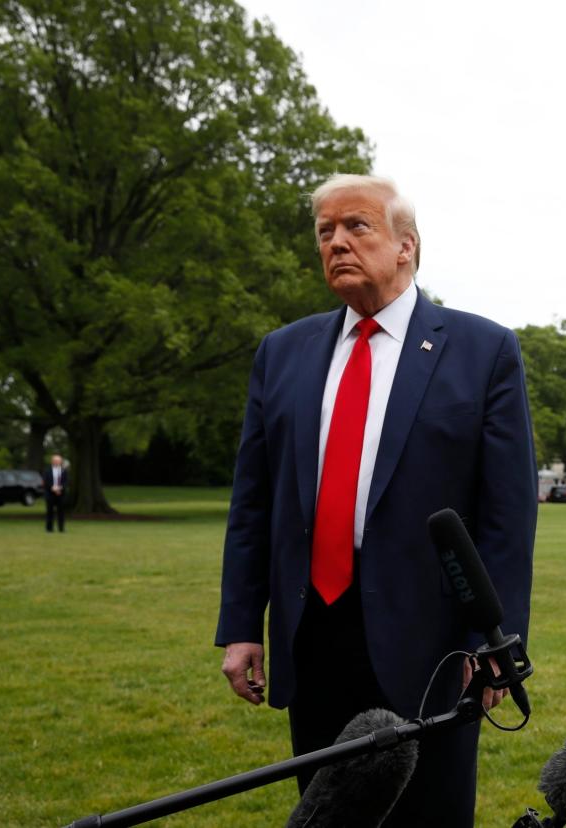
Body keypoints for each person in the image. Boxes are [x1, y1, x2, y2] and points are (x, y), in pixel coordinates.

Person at [215, 173, 537, 825]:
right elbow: (255, 502)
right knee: (328, 813)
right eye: (324, 231)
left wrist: (494, 641)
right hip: (313, 638)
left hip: (434, 648)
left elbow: (507, 515)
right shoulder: (282, 353)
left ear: (406, 246)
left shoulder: (482, 351)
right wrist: (243, 626)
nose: (337, 242)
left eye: (356, 226)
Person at [44, 453, 67, 532]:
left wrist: (60, 488)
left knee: (61, 512)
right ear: (52, 462)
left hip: (61, 494)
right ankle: (49, 528)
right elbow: (46, 481)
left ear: (61, 462)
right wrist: (52, 488)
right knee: (50, 511)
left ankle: (61, 528)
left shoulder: (64, 471)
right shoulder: (47, 471)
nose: (57, 462)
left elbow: (66, 482)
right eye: (55, 461)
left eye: (59, 461)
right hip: (50, 494)